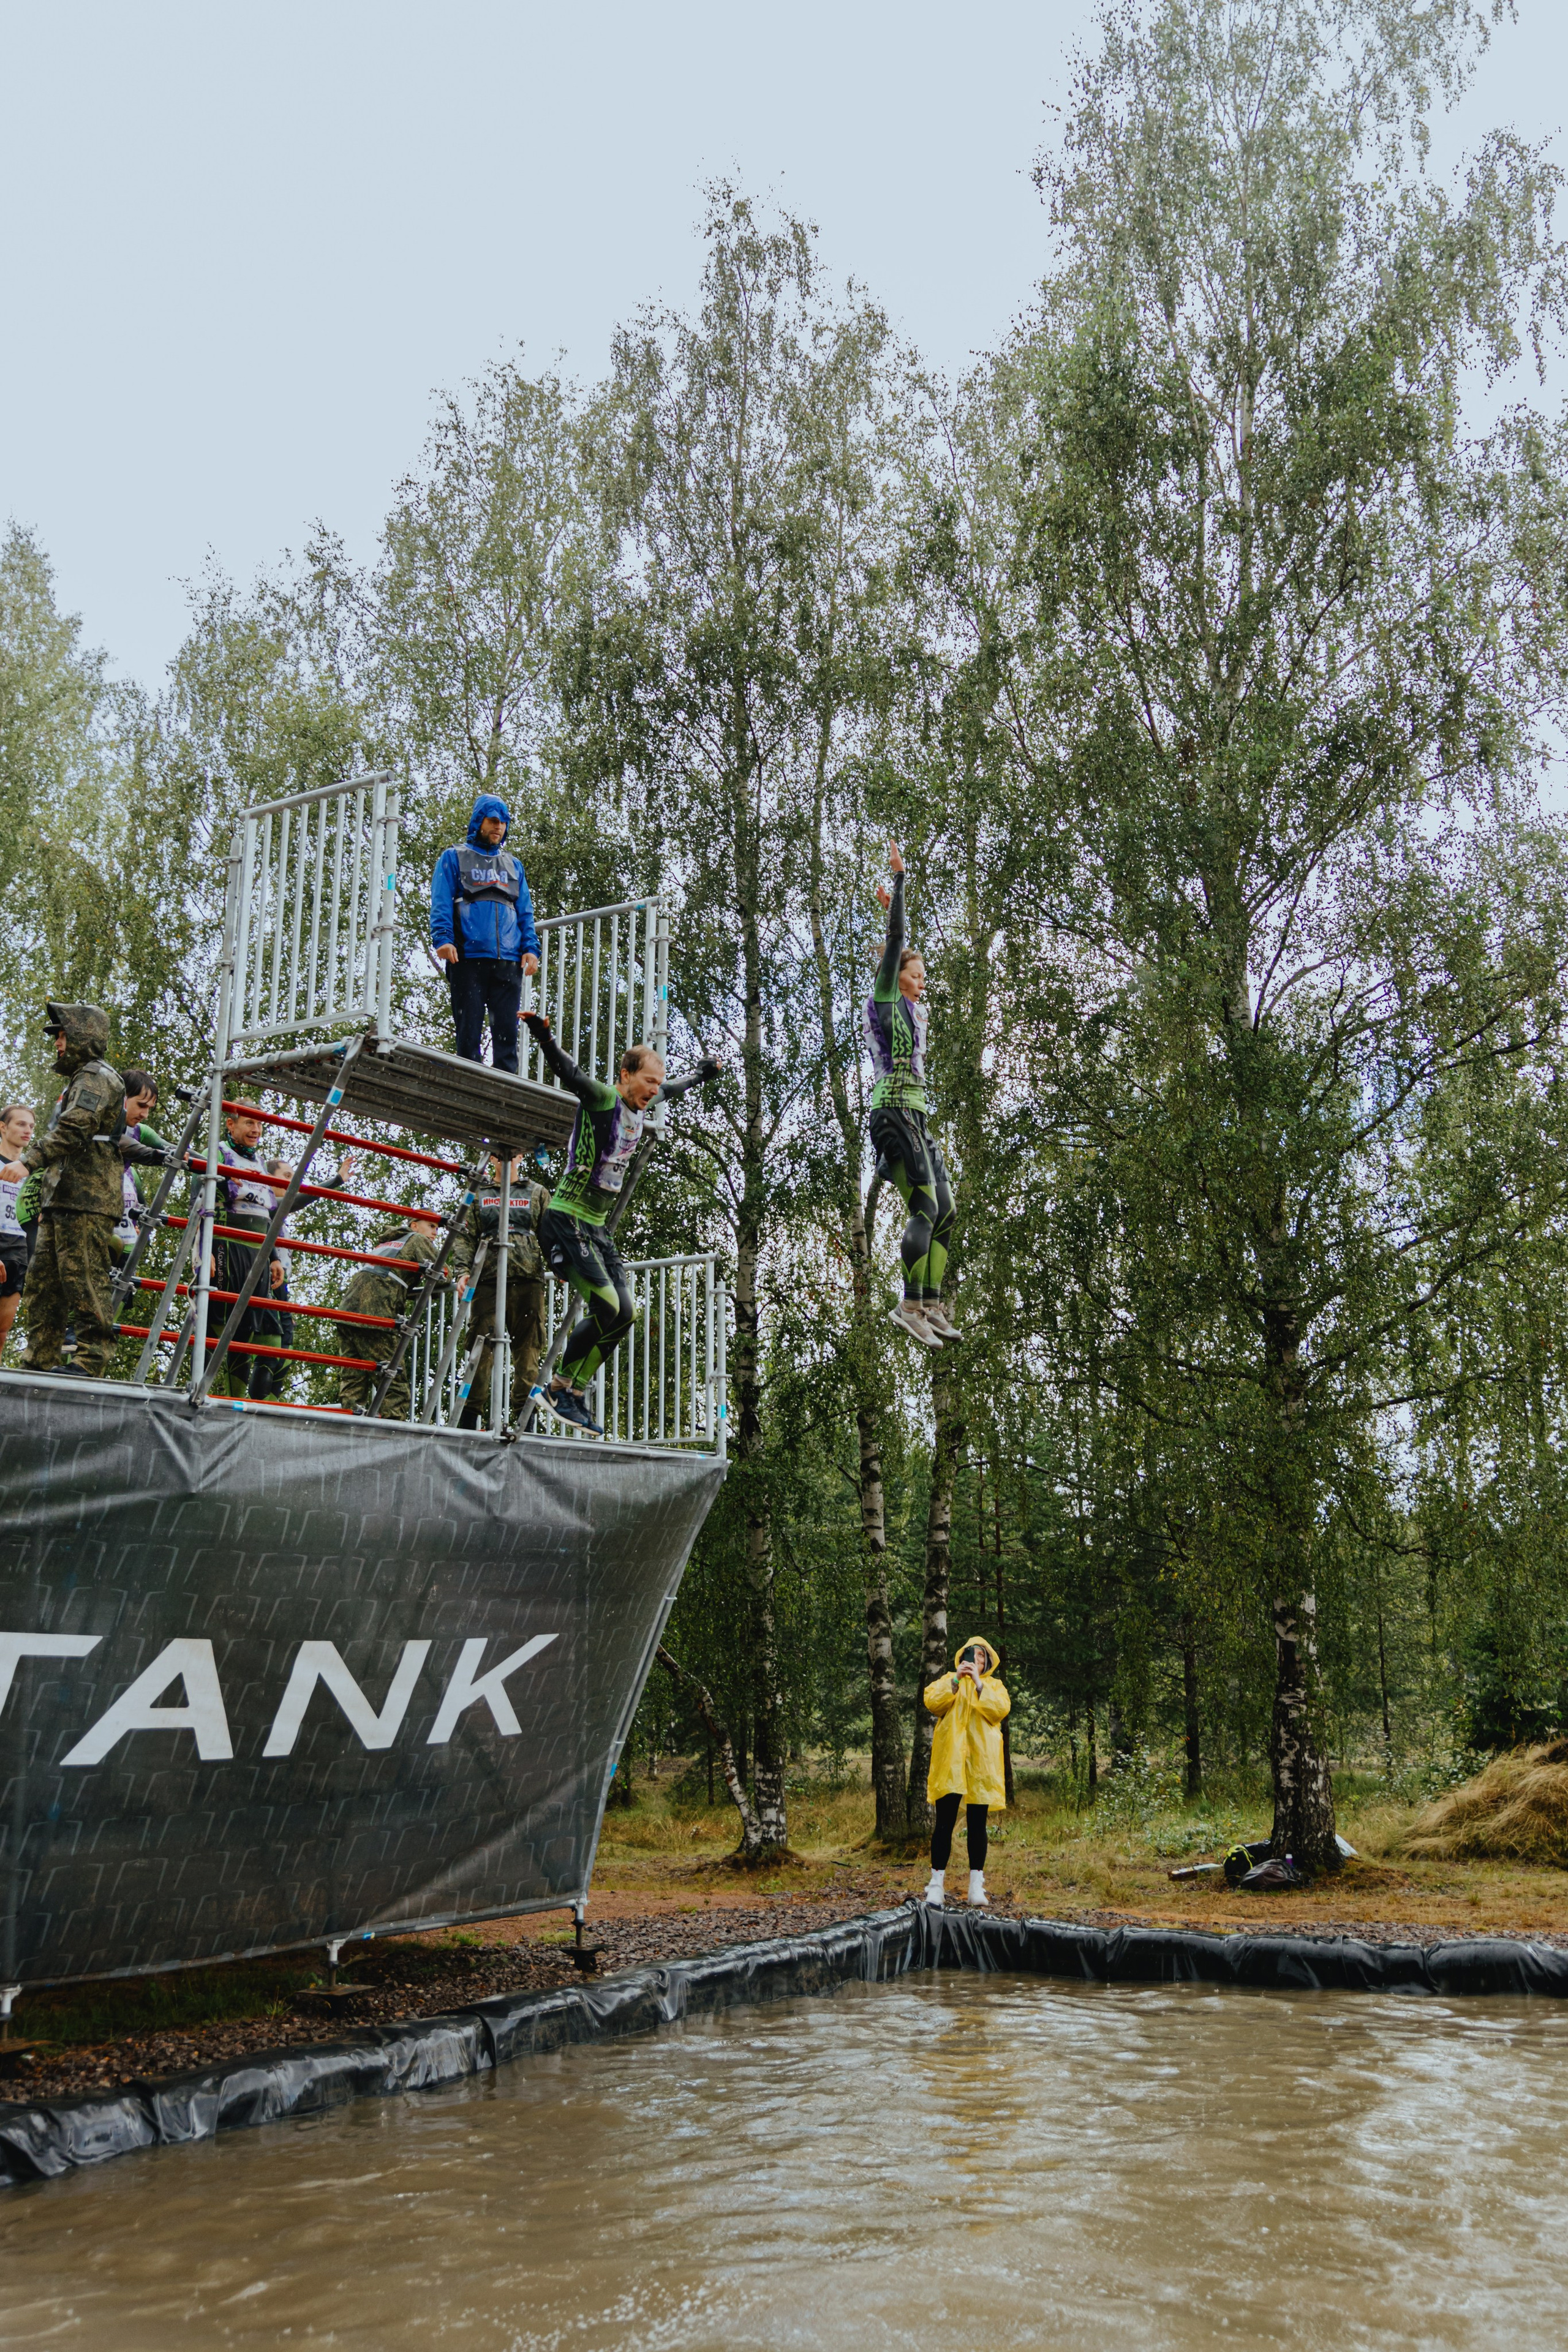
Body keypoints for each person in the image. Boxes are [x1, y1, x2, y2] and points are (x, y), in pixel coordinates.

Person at [521, 1011, 721, 1433]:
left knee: (626, 1313)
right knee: (606, 1305)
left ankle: (575, 1392)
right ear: (625, 1075)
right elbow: (569, 1072)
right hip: (567, 1218)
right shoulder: (602, 1098)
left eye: (655, 1083)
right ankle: (556, 1387)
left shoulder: (642, 1103)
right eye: (647, 1080)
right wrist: (544, 1036)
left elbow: (674, 1088)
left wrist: (702, 1075)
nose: (653, 1090)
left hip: (596, 1228)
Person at [0, 1003, 125, 1379]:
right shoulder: (79, 1079)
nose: (57, 1043)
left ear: (84, 1036)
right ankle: (38, 1361)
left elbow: (76, 1126)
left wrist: (29, 1161)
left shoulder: (95, 1076)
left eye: (63, 1035)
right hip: (62, 1199)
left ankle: (91, 1362)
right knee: (43, 1288)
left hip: (87, 1199)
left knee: (85, 1281)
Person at [869, 842, 959, 1349]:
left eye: (925, 976)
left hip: (916, 1115)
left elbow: (905, 944)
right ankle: (908, 1306)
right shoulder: (884, 996)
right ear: (895, 975)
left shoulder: (914, 1004)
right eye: (916, 975)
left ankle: (929, 1302)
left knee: (945, 1209)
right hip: (893, 1108)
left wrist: (895, 912)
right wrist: (901, 884)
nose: (923, 982)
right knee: (924, 1208)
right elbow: (897, 940)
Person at [429, 794, 541, 1074]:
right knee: (468, 1031)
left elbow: (525, 911)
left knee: (507, 1034)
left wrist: (531, 948)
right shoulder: (454, 857)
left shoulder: (514, 866)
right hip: (468, 957)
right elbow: (441, 901)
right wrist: (443, 939)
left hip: (509, 960)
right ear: (480, 822)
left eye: (504, 822)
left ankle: (507, 1092)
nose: (499, 827)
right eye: (493, 821)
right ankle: (469, 1085)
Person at [452, 1153, 549, 1428]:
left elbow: (551, 1232)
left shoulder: (537, 1192)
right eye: (498, 1155)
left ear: (520, 1156)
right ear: (493, 1158)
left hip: (528, 1278)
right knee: (479, 1348)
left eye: (512, 1153)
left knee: (529, 1350)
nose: (504, 1159)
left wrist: (562, 1264)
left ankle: (525, 1419)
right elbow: (465, 1236)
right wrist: (463, 1271)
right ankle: (469, 1419)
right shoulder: (477, 1193)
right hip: (488, 1279)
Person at [208, 1098, 290, 1400]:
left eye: (259, 1124)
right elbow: (199, 1203)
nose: (256, 1130)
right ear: (231, 1124)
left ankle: (246, 1405)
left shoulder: (258, 1162)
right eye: (249, 1123)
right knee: (220, 1327)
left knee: (268, 1335)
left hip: (259, 1253)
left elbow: (268, 1215)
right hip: (227, 1247)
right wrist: (203, 1250)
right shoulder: (218, 1152)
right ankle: (199, 1395)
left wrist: (274, 1257)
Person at [921, 1637, 1010, 1911]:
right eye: (973, 1656)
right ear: (963, 1658)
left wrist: (980, 1685)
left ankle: (976, 1886)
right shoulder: (950, 1679)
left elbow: (1000, 1710)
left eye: (983, 1657)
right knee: (945, 1823)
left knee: (977, 1824)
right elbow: (932, 1702)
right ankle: (936, 1885)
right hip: (951, 1763)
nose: (977, 1661)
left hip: (982, 1766)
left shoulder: (994, 1686)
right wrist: (957, 1681)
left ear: (989, 1662)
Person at [334, 1217, 444, 1419]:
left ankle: (349, 1432)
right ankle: (393, 1437)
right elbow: (443, 1272)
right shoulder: (418, 1240)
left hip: (348, 1311)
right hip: (377, 1314)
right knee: (394, 1385)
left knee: (353, 1383)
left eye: (437, 1228)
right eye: (431, 1226)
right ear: (414, 1226)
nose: (435, 1232)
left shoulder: (385, 1244)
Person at [110, 1070, 170, 1267]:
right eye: (141, 1105)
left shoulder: (139, 1130)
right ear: (122, 1097)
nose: (145, 1114)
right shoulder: (101, 1122)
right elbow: (123, 1144)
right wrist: (161, 1156)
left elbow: (174, 1148)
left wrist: (221, 1169)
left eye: (150, 1108)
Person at [0, 1103, 36, 1356]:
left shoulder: (33, 1172)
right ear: (3, 1128)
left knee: (2, 1332)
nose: (28, 1131)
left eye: (32, 1126)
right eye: (21, 1124)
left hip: (20, 1250)